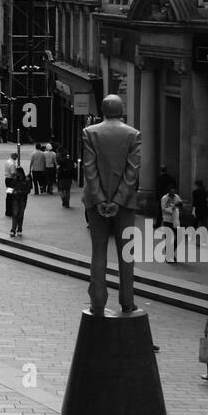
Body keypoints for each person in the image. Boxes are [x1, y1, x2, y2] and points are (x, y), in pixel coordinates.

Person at [81, 95, 141, 314]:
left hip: (95, 202)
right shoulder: (133, 134)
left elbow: (89, 168)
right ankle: (127, 300)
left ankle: (98, 301)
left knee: (98, 251)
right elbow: (132, 171)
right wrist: (117, 201)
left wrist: (99, 199)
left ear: (103, 110)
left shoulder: (90, 132)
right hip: (125, 204)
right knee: (126, 253)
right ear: (121, 110)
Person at [160, 184, 183, 261]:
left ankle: (171, 252)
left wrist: (179, 206)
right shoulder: (164, 198)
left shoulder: (177, 197)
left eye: (174, 191)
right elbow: (163, 209)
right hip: (167, 220)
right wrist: (173, 207)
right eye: (171, 191)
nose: (173, 193)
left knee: (179, 237)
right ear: (168, 191)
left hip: (176, 220)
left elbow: (181, 205)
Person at [10, 166, 31, 237]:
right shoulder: (15, 179)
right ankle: (13, 230)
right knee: (15, 214)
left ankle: (19, 229)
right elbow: (10, 189)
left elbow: (28, 190)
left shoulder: (27, 180)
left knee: (21, 215)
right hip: (15, 199)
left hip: (23, 199)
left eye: (17, 172)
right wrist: (13, 192)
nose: (16, 173)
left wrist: (20, 192)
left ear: (20, 172)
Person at [3, 153, 20, 217]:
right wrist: (17, 174)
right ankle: (9, 211)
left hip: (7, 179)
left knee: (8, 196)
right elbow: (13, 173)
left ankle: (7, 211)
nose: (17, 158)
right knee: (11, 196)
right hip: (11, 181)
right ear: (14, 156)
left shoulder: (8, 161)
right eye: (16, 157)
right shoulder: (12, 164)